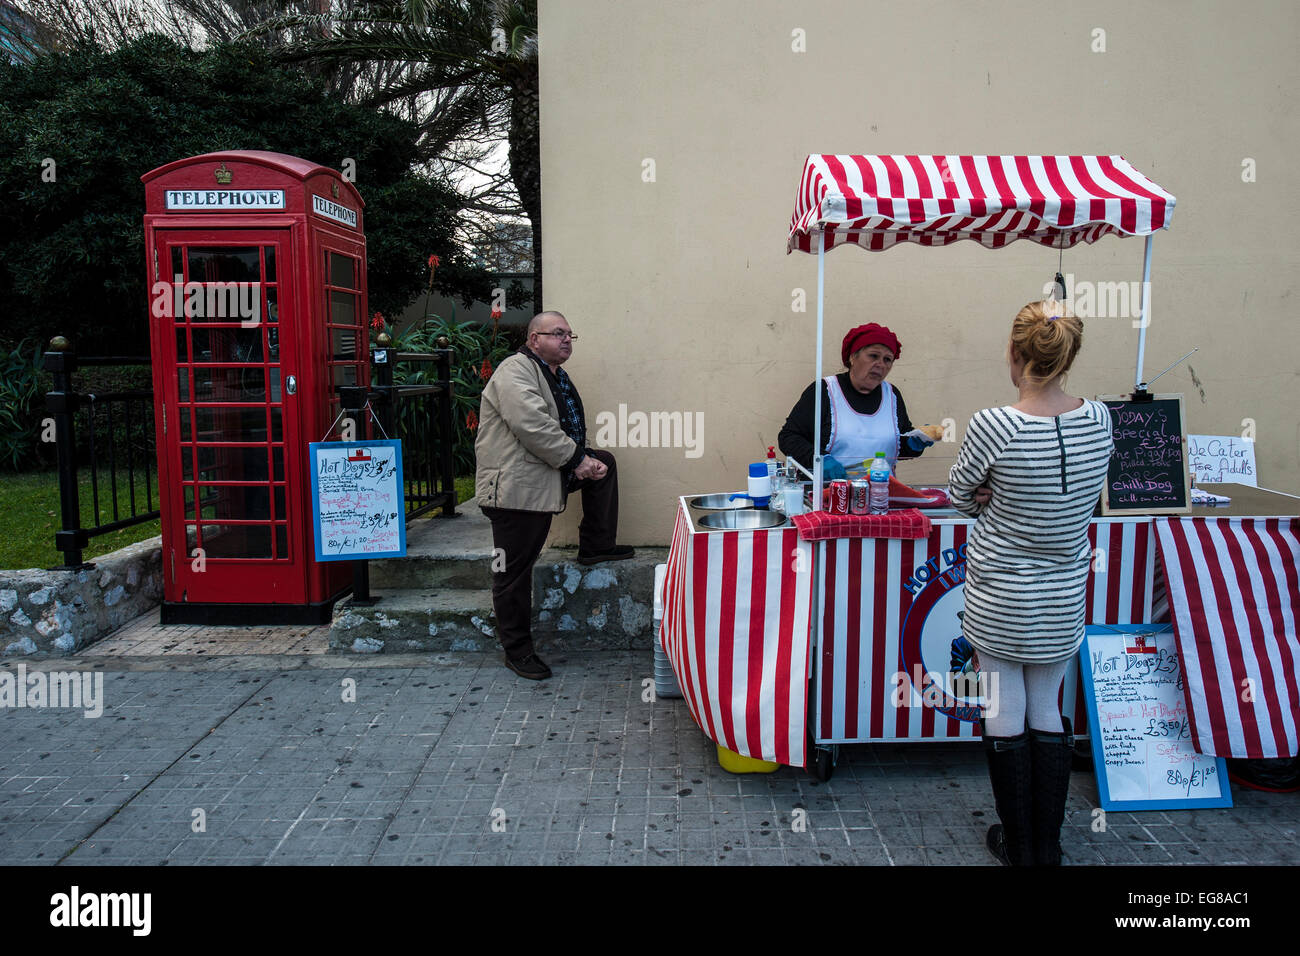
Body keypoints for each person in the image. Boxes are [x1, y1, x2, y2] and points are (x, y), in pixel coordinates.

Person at [947, 300, 1114, 866]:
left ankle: (1019, 845)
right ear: (1069, 354)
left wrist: (992, 494)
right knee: (1048, 704)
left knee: (1004, 706)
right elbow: (1090, 496)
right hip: (1064, 589)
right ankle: (1048, 847)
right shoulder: (1100, 418)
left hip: (1001, 590)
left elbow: (957, 493)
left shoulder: (996, 424)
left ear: (1016, 353)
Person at [475, 311, 634, 680]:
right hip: (516, 490)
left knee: (604, 465)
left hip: (548, 471)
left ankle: (595, 545)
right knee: (512, 573)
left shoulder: (551, 373)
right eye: (557, 333)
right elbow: (533, 426)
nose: (566, 340)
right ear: (534, 339)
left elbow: (564, 421)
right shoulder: (514, 372)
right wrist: (578, 459)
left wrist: (587, 459)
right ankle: (517, 651)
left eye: (569, 335)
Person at [778, 322, 933, 478]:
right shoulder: (825, 391)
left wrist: (915, 442)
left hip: (880, 493)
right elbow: (788, 437)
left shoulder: (892, 395)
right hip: (830, 493)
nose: (880, 365)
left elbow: (899, 446)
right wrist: (819, 459)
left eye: (887, 360)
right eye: (873, 356)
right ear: (852, 357)